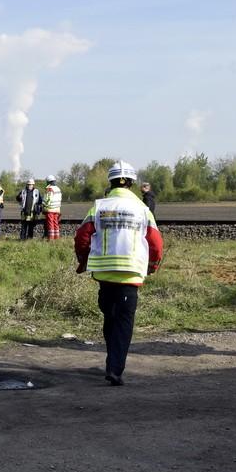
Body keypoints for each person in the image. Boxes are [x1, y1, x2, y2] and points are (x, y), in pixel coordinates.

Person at [74, 161, 164, 386]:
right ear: (132, 183)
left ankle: (111, 361)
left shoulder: (99, 207)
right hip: (130, 276)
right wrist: (152, 266)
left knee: (110, 318)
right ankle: (114, 369)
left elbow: (82, 238)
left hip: (104, 276)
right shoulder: (143, 209)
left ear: (110, 182)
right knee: (123, 323)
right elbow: (155, 243)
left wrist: (84, 262)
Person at [43, 175, 62, 240]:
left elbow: (48, 199)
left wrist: (44, 204)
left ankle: (51, 238)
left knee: (50, 223)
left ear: (48, 181)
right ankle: (57, 237)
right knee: (55, 223)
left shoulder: (49, 189)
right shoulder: (58, 188)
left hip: (50, 209)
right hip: (57, 209)